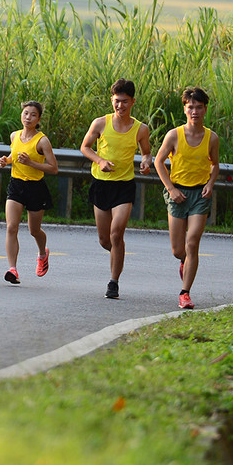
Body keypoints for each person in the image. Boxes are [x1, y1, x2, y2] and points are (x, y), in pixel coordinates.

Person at [80, 78, 153, 299]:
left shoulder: (141, 129)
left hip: (124, 185)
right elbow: (85, 147)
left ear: (132, 102)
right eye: (116, 101)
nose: (120, 106)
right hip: (101, 184)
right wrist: (100, 161)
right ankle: (117, 255)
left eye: (124, 102)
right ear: (112, 100)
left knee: (116, 233)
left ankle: (113, 282)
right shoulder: (100, 123)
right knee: (105, 240)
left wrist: (147, 162)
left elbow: (147, 152)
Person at [154, 86, 220, 310]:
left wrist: (210, 184)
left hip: (199, 194)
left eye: (199, 107)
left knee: (192, 244)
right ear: (184, 109)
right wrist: (171, 189)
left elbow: (215, 164)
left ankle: (185, 293)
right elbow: (158, 162)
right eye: (190, 107)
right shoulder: (174, 135)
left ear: (205, 109)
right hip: (177, 193)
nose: (195, 111)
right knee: (178, 250)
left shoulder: (211, 137)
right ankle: (185, 262)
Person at [0, 100, 59, 285]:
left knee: (34, 230)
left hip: (35, 187)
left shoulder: (42, 141)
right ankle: (13, 269)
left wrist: (31, 163)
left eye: (33, 115)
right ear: (21, 115)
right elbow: (14, 156)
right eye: (26, 113)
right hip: (16, 185)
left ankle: (42, 253)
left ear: (38, 119)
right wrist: (6, 161)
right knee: (11, 227)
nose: (28, 117)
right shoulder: (14, 136)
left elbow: (53, 168)